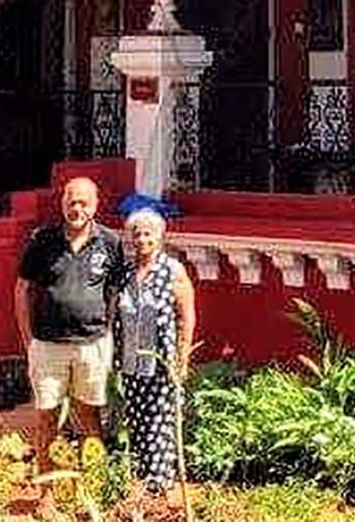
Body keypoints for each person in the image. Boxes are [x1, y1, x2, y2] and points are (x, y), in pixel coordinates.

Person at [15, 177, 127, 470]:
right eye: (71, 202)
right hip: (48, 345)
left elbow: (114, 290)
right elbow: (22, 288)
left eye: (83, 202)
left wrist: (107, 331)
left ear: (95, 205)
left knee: (90, 415)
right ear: (63, 204)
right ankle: (46, 490)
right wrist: (28, 338)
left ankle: (94, 481)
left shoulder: (110, 243)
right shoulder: (43, 240)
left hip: (92, 344)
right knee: (47, 416)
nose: (76, 208)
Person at [114, 207, 196, 494]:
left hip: (162, 362)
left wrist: (181, 359)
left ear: (160, 237)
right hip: (131, 362)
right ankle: (140, 479)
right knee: (136, 418)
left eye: (148, 234)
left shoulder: (172, 270)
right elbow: (115, 315)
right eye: (137, 234)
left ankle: (160, 483)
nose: (142, 239)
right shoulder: (126, 273)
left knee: (159, 420)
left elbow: (187, 316)